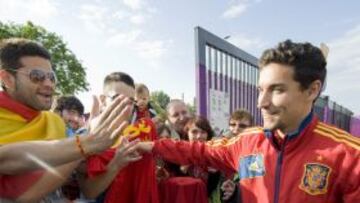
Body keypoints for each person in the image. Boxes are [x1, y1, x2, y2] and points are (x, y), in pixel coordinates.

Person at [135, 40, 360, 202]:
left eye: (277, 90)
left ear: (312, 90)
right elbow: (198, 151)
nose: (261, 102)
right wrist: (151, 145)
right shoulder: (246, 142)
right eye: (260, 90)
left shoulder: (350, 156)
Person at [0, 38, 137, 202]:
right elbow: (19, 194)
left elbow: (78, 184)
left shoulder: (54, 122)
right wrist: (89, 139)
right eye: (37, 76)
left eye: (52, 77)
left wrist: (114, 161)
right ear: (7, 78)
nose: (49, 84)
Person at [82, 72, 159, 203]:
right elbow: (89, 191)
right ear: (102, 99)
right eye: (116, 98)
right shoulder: (89, 135)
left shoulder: (141, 129)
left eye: (129, 101)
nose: (123, 105)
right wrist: (116, 164)